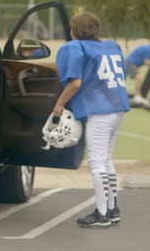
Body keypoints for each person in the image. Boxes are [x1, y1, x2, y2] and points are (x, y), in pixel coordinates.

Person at [52, 12, 130, 228]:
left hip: (100, 110)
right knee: (106, 159)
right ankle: (113, 209)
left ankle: (102, 213)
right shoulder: (111, 46)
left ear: (74, 31)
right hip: (117, 107)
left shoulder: (75, 47)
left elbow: (75, 83)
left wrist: (58, 105)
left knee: (97, 161)